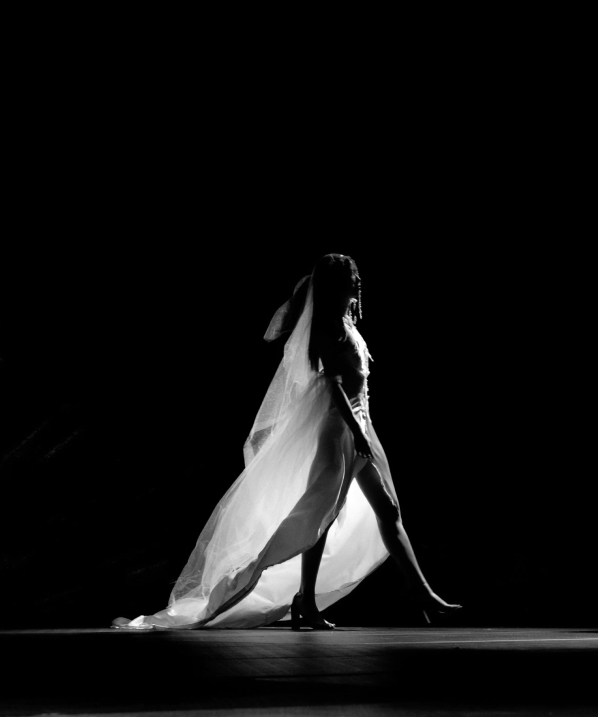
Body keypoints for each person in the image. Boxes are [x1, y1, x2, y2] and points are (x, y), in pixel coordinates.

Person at [112, 254, 460, 631]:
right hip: (339, 429)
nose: (358, 282)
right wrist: (355, 431)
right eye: (351, 277)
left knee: (387, 510)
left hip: (362, 423)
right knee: (320, 514)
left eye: (357, 277)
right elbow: (334, 384)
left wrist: (363, 428)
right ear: (336, 284)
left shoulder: (346, 321)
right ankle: (304, 600)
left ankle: (421, 593)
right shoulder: (326, 326)